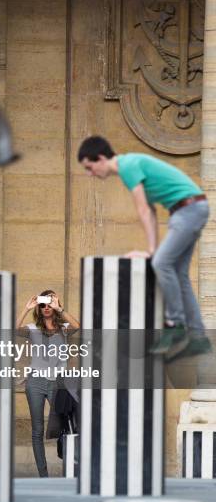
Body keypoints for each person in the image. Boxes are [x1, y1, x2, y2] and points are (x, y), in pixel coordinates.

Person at [78, 135, 210, 359]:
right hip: (190, 209)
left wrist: (152, 253)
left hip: (187, 210)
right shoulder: (132, 165)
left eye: (90, 168)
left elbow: (143, 211)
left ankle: (175, 325)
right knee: (178, 273)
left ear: (100, 158)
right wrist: (152, 250)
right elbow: (151, 211)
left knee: (161, 263)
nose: (91, 174)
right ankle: (198, 338)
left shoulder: (127, 165)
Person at [16, 291, 79, 477]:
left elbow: (78, 326)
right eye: (43, 304)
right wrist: (26, 309)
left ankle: (69, 468)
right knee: (37, 429)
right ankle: (43, 474)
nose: (46, 307)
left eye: (49, 304)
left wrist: (61, 307)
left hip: (57, 382)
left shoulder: (64, 328)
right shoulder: (33, 328)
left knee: (66, 426)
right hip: (35, 381)